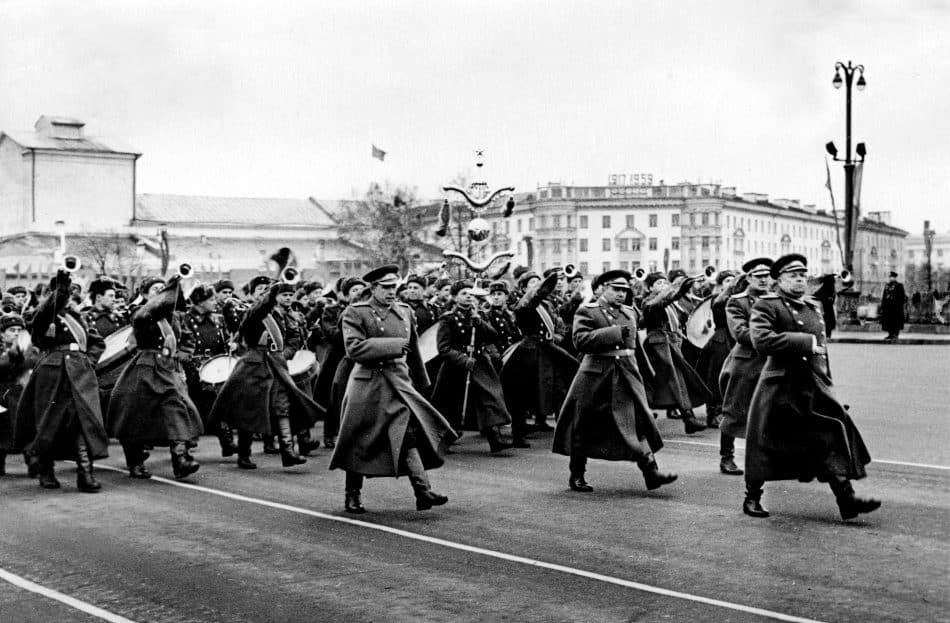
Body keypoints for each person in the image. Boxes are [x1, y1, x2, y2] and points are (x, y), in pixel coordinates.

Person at [743, 254, 878, 521]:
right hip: (780, 387)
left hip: (811, 386)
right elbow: (761, 340)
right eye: (793, 276)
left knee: (828, 436)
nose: (799, 280)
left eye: (803, 276)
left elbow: (822, 353)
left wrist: (827, 383)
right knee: (765, 443)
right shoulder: (767, 305)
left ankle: (847, 500)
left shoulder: (813, 306)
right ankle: (752, 497)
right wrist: (804, 342)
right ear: (779, 280)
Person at [329, 265, 456, 514]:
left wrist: (421, 383)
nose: (391, 292)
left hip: (398, 383)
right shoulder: (356, 313)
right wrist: (393, 345)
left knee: (406, 435)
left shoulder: (404, 311)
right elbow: (354, 349)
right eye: (385, 288)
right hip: (367, 385)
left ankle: (423, 491)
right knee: (359, 440)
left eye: (393, 287)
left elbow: (414, 352)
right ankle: (352, 494)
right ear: (373, 288)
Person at [554, 270, 676, 492]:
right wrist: (613, 333)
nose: (621, 294)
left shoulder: (630, 312)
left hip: (626, 374)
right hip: (596, 375)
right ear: (603, 288)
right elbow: (580, 341)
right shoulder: (587, 311)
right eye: (616, 289)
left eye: (624, 290)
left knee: (637, 423)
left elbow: (635, 348)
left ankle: (652, 473)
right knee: (583, 424)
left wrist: (646, 373)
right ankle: (577, 474)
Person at [208, 281, 324, 470]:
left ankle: (288, 451)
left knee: (282, 406)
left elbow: (293, 339)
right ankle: (244, 454)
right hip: (254, 363)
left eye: (288, 295)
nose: (286, 298)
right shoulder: (253, 313)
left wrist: (283, 355)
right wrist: (270, 295)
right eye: (281, 294)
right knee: (250, 409)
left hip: (276, 364)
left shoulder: (285, 315)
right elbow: (258, 312)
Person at [14, 270, 109, 491]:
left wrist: (88, 361)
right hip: (53, 373)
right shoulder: (44, 315)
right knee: (49, 422)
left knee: (83, 421)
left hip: (80, 374)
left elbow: (96, 342)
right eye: (65, 292)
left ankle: (85, 473)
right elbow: (45, 313)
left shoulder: (76, 317)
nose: (69, 297)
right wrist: (60, 291)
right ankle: (46, 470)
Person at [108, 276, 205, 480]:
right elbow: (147, 314)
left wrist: (182, 355)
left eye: (163, 289)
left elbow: (186, 339)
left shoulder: (174, 316)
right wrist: (170, 291)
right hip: (146, 366)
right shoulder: (139, 312)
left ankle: (181, 459)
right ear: (144, 294)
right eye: (155, 289)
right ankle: (135, 462)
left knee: (176, 408)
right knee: (134, 415)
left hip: (168, 368)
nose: (161, 293)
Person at [431, 280, 515, 452]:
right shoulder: (448, 319)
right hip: (455, 367)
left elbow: (493, 336)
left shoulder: (479, 316)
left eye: (470, 293)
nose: (468, 296)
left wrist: (480, 323)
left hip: (478, 363)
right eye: (463, 293)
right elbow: (443, 348)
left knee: (488, 398)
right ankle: (444, 441)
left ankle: (495, 439)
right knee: (451, 403)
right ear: (454, 298)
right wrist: (463, 360)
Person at [501, 270, 579, 438]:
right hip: (529, 351)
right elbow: (526, 308)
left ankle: (564, 426)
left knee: (560, 387)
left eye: (539, 281)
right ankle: (519, 430)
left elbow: (556, 324)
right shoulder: (523, 304)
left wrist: (556, 336)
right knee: (523, 391)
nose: (537, 285)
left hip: (547, 349)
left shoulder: (546, 305)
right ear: (523, 288)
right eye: (532, 282)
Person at [718, 258, 773, 476]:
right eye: (758, 276)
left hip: (771, 361)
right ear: (748, 278)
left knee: (770, 411)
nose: (763, 280)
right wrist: (772, 340)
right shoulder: (737, 302)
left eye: (767, 276)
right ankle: (726, 457)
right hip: (746, 361)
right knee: (734, 410)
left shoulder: (774, 301)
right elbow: (739, 332)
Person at [640, 272, 710, 433]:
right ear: (650, 288)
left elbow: (673, 300)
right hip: (658, 342)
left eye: (665, 283)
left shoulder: (670, 303)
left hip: (671, 341)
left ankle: (688, 418)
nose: (663, 286)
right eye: (659, 283)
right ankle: (687, 417)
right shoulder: (649, 301)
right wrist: (678, 284)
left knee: (678, 379)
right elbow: (660, 303)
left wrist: (686, 283)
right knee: (673, 379)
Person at [178, 284, 237, 457]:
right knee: (191, 405)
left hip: (214, 366)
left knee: (216, 402)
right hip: (192, 367)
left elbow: (225, 339)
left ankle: (226, 441)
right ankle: (187, 443)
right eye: (210, 299)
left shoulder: (217, 320)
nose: (214, 302)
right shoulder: (185, 320)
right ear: (199, 302)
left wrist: (230, 344)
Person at [313, 277, 366, 449]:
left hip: (358, 357)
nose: (358, 293)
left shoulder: (366, 311)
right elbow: (332, 335)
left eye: (361, 290)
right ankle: (330, 433)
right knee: (334, 397)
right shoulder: (331, 311)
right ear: (345, 294)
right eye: (354, 290)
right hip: (337, 358)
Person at [694, 270, 737, 428]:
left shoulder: (739, 299)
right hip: (721, 340)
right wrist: (733, 285)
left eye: (732, 280)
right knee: (715, 378)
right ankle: (713, 413)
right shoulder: (717, 299)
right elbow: (719, 303)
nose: (730, 283)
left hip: (735, 340)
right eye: (727, 281)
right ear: (720, 284)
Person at [0, 313, 40, 475]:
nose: (16, 333)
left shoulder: (31, 349)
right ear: (2, 333)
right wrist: (11, 355)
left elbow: (34, 362)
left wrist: (22, 354)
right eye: (11, 330)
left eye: (19, 330)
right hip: (2, 393)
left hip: (22, 392)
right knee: (1, 430)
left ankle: (33, 462)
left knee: (28, 428)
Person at [880, 272, 907, 341]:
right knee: (888, 321)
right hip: (888, 307)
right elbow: (884, 296)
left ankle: (895, 334)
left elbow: (902, 296)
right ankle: (890, 334)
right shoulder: (887, 285)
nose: (891, 278)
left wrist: (899, 304)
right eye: (890, 277)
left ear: (895, 278)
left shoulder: (899, 285)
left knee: (896, 321)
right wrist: (883, 305)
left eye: (892, 277)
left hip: (896, 308)